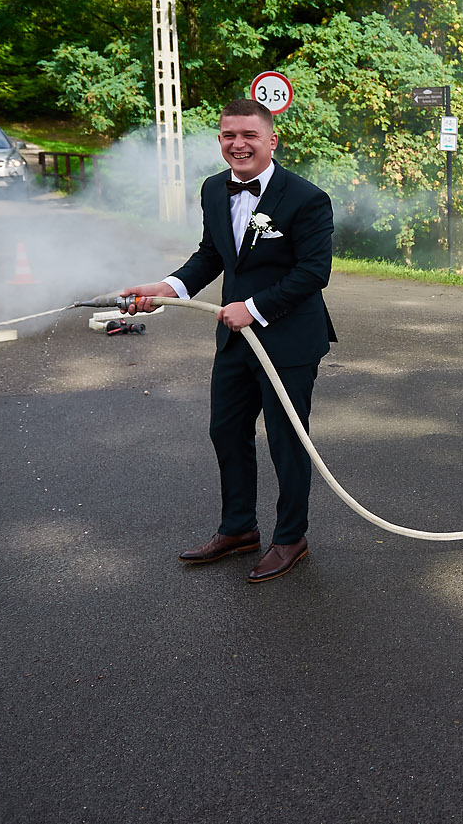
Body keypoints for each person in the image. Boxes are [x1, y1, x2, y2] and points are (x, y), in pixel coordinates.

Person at [122, 98, 336, 582]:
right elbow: (212, 255)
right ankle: (239, 529)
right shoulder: (213, 189)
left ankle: (291, 539)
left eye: (249, 135)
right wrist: (168, 288)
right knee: (226, 431)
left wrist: (253, 308)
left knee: (286, 440)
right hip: (235, 340)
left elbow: (313, 273)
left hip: (288, 341)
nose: (238, 144)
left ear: (272, 140)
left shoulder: (307, 198)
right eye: (228, 135)